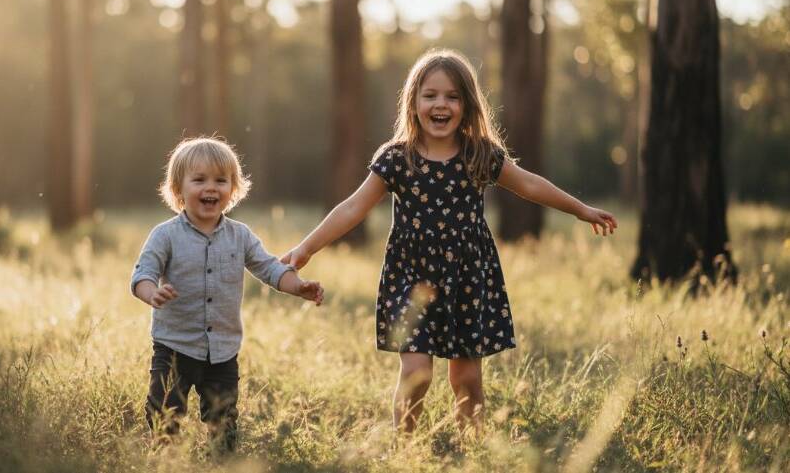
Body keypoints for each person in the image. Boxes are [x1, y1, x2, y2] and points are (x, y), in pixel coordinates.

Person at [282, 48, 617, 435]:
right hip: (411, 278)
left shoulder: (479, 154)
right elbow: (352, 208)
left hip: (467, 277)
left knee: (467, 379)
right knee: (417, 371)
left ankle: (472, 449)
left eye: (452, 97)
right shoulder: (397, 158)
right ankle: (403, 450)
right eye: (431, 95)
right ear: (414, 102)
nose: (441, 104)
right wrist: (306, 247)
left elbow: (528, 184)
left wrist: (581, 210)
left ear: (467, 105)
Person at [131, 136, 324, 451]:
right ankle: (164, 459)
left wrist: (297, 286)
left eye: (221, 180)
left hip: (222, 351)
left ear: (233, 190)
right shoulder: (165, 235)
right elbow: (142, 274)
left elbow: (270, 268)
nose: (211, 187)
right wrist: (151, 292)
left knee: (223, 420)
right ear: (178, 189)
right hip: (174, 347)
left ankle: (222, 460)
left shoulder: (240, 236)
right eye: (199, 180)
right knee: (165, 414)